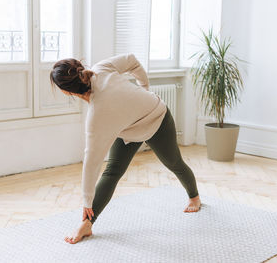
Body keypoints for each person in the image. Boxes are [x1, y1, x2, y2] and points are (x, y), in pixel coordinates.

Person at [49, 54, 201, 244]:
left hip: (156, 118)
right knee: (112, 172)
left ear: (66, 92)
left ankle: (194, 197)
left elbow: (91, 162)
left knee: (174, 162)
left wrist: (144, 89)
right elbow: (132, 60)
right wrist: (88, 201)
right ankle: (87, 224)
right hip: (129, 130)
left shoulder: (100, 83)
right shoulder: (99, 88)